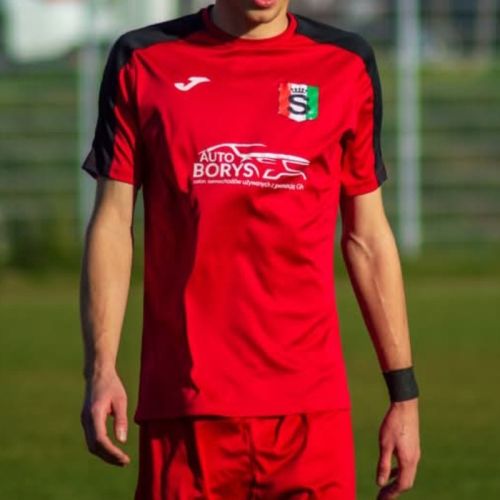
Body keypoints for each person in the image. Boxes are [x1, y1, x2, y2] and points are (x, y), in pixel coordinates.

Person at [79, 1, 421, 499]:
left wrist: (404, 395)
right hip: (185, 407)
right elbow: (112, 223)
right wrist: (101, 369)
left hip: (310, 415)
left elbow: (367, 237)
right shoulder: (143, 60)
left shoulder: (345, 64)